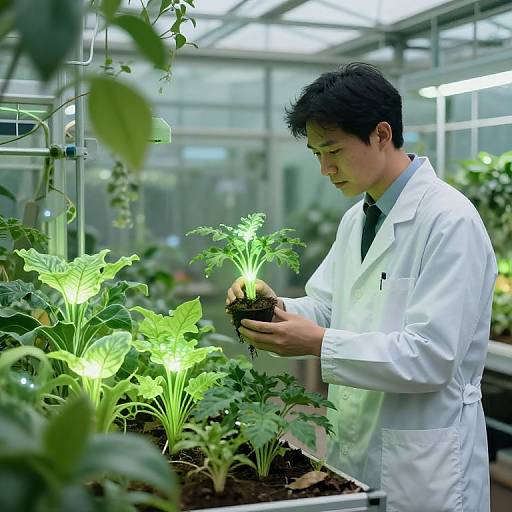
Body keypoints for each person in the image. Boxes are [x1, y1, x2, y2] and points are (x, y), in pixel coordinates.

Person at [226, 63, 497, 512]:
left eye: (333, 150)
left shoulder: (450, 220)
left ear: (381, 134)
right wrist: (272, 308)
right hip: (357, 444)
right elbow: (329, 309)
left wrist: (318, 343)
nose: (325, 168)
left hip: (424, 462)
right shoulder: (358, 218)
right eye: (315, 153)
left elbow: (433, 356)